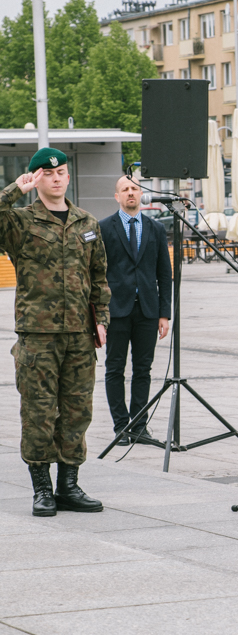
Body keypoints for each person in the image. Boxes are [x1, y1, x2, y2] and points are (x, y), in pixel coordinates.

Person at [0, 148, 109, 517]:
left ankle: (69, 486)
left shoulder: (87, 222)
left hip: (80, 335)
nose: (57, 178)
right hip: (38, 336)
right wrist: (15, 189)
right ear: (36, 179)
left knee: (77, 412)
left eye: (62, 171)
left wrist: (102, 319)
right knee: (39, 413)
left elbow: (98, 277)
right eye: (48, 174)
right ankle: (42, 489)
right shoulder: (20, 222)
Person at [98, 177, 171, 443]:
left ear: (141, 194)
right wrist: (98, 313)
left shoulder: (156, 229)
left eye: (135, 189)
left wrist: (165, 313)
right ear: (117, 196)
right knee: (115, 368)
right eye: (125, 189)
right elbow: (97, 273)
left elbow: (164, 273)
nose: (131, 193)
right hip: (116, 311)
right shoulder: (104, 228)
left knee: (143, 369)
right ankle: (121, 426)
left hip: (148, 312)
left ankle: (139, 425)